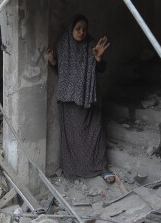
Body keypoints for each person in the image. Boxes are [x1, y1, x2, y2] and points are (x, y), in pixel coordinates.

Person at [46, 14, 115, 182]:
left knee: (95, 132)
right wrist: (53, 61)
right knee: (73, 137)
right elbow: (63, 72)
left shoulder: (92, 45)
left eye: (84, 29)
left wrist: (98, 58)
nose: (82, 32)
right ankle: (73, 170)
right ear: (71, 29)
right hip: (69, 100)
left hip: (89, 98)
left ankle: (101, 167)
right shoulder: (63, 45)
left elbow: (100, 69)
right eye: (78, 29)